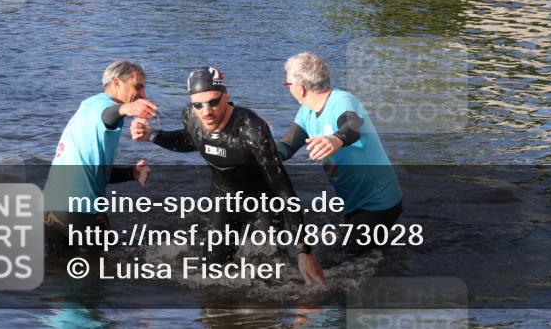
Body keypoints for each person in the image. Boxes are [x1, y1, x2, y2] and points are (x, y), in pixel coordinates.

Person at [130, 66, 325, 285]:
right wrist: (152, 135)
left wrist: (304, 251)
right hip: (222, 198)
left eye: (213, 102)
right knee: (211, 272)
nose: (206, 111)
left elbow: (284, 190)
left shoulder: (252, 130)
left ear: (226, 97)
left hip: (262, 204)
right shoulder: (190, 116)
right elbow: (191, 140)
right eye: (198, 105)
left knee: (271, 278)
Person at [277, 52, 403, 253]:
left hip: (378, 202)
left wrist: (336, 139)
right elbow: (286, 148)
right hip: (354, 203)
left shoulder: (342, 100)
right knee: (362, 255)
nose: (288, 89)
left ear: (300, 88)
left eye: (287, 85)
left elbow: (352, 125)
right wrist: (256, 144)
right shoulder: (306, 111)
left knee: (347, 263)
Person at [43, 61, 158, 249]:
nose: (143, 94)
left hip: (50, 210)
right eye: (138, 86)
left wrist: (131, 173)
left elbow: (94, 172)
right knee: (110, 269)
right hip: (80, 211)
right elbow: (108, 115)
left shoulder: (88, 106)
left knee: (61, 270)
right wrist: (125, 109)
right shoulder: (105, 108)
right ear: (117, 83)